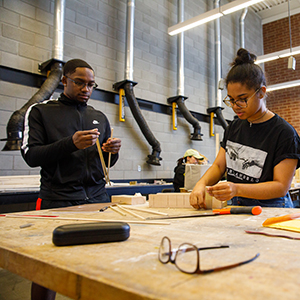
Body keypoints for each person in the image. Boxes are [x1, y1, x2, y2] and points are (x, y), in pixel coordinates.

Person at [21, 58, 121, 300]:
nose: (86, 89)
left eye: (91, 85)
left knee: (99, 266)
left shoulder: (98, 116)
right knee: (47, 268)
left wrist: (112, 153)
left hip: (97, 200)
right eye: (79, 83)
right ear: (64, 80)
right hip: (59, 201)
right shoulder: (40, 112)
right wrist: (70, 144)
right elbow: (31, 156)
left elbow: (104, 164)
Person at [190, 48, 300, 210]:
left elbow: (280, 186)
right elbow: (219, 166)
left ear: (261, 92)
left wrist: (237, 188)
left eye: (242, 99)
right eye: (231, 100)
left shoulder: (284, 133)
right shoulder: (234, 127)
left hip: (272, 209)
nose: (235, 106)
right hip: (239, 205)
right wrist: (201, 183)